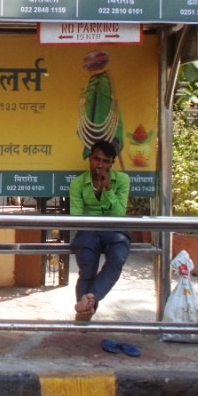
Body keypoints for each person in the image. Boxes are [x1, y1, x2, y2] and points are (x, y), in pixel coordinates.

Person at [69, 138, 130, 321]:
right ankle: (86, 309)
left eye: (105, 161)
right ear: (90, 159)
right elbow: (77, 217)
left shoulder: (122, 180)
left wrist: (108, 190)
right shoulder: (78, 184)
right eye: (97, 159)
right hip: (88, 229)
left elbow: (119, 215)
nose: (100, 165)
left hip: (115, 229)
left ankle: (89, 300)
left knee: (117, 258)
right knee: (87, 265)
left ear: (112, 163)